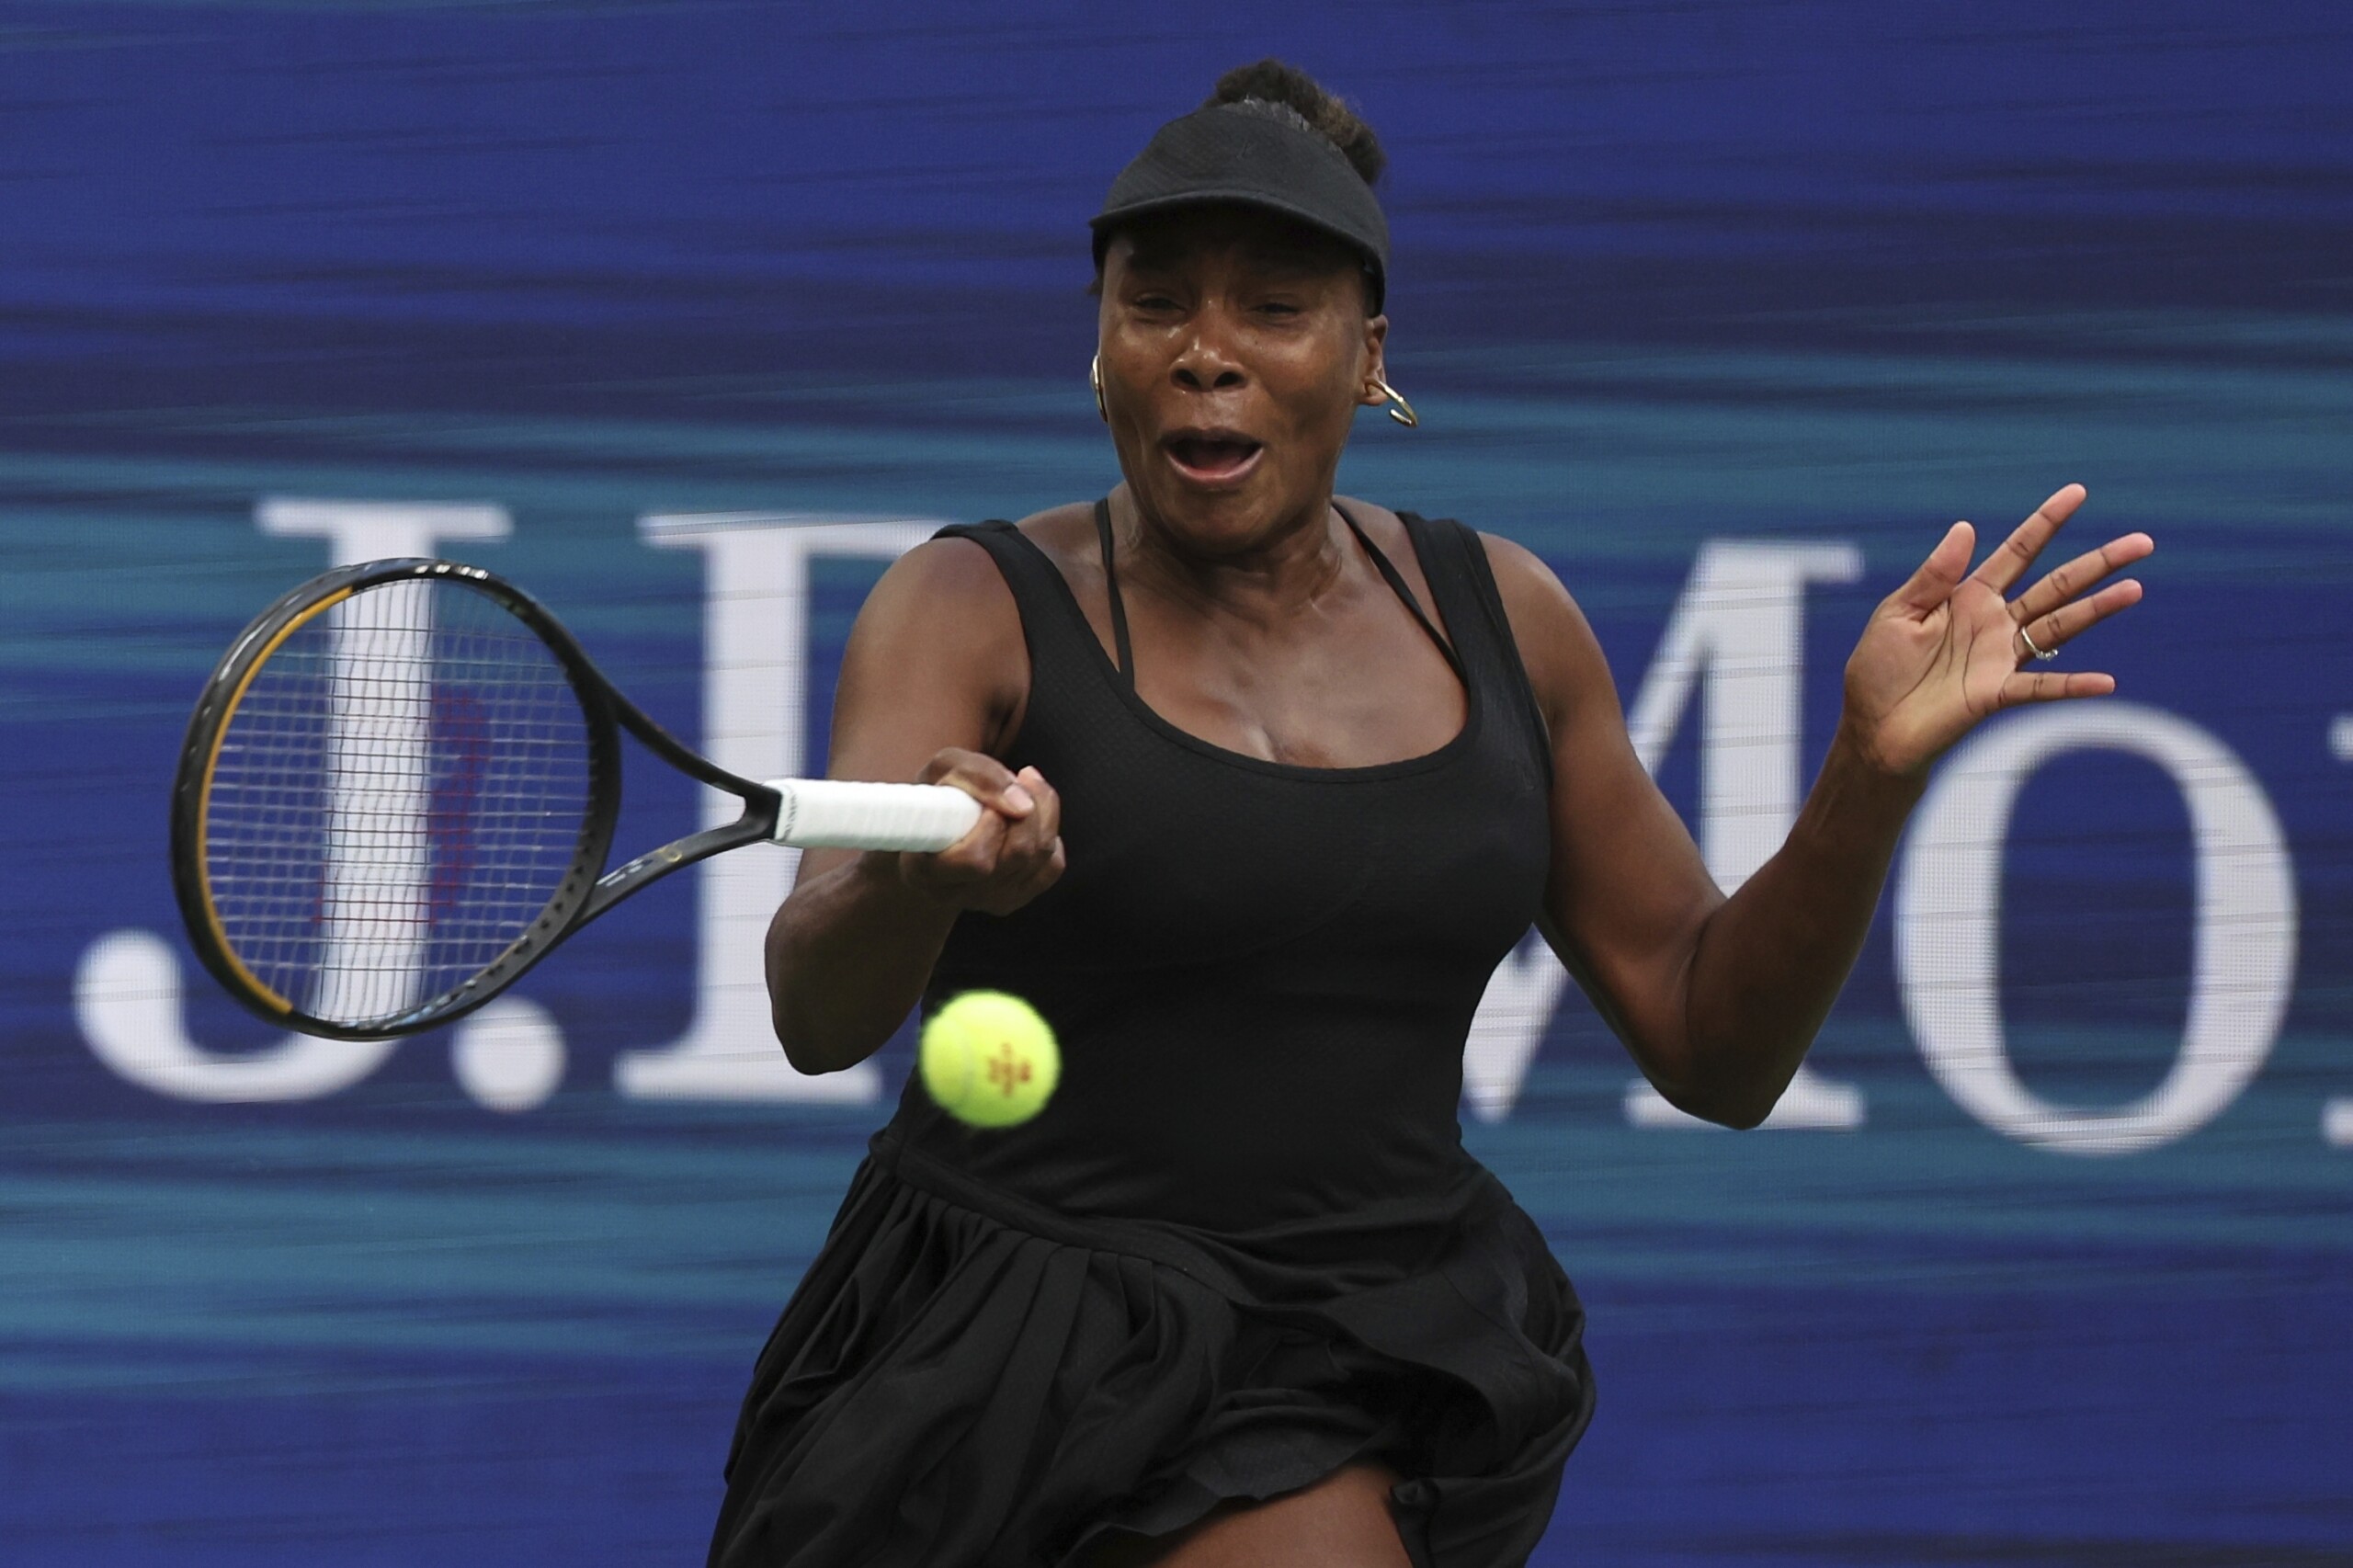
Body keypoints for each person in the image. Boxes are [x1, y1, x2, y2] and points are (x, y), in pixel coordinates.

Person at [707, 60, 2151, 1568]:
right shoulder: (968, 606)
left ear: (1369, 353)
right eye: (1157, 305)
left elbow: (1714, 1039)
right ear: (1101, 346)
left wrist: (1869, 771)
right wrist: (926, 875)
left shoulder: (1506, 617)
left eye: (1274, 307)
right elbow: (818, 1001)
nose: (1209, 354)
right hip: (1001, 1356)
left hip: (1342, 1349)